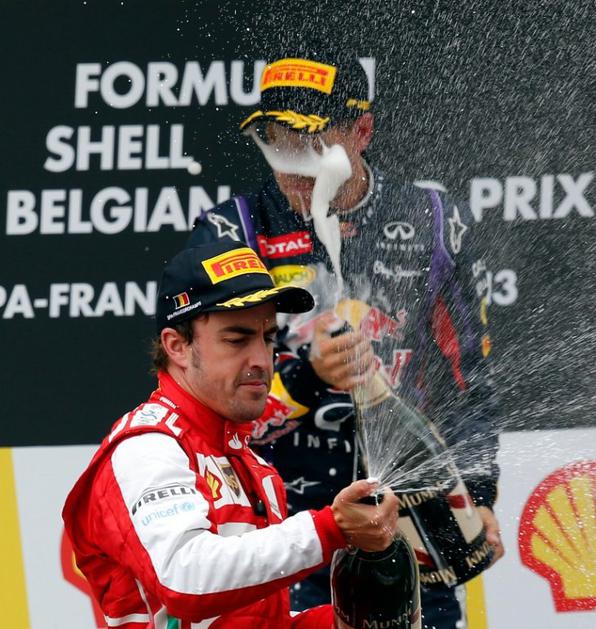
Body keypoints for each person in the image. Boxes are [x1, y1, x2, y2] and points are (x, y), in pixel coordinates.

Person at [187, 54, 505, 628]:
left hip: (404, 523)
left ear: (362, 131)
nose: (291, 165)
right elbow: (207, 404)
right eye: (276, 140)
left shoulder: (434, 221)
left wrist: (479, 494)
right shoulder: (232, 232)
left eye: (310, 143)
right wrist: (307, 376)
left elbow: (468, 378)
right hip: (278, 530)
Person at [62, 240, 399, 628]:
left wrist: (343, 623)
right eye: (237, 340)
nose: (261, 360)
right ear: (177, 346)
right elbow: (185, 580)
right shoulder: (146, 448)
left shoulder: (249, 462)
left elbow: (249, 620)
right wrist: (329, 529)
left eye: (268, 338)